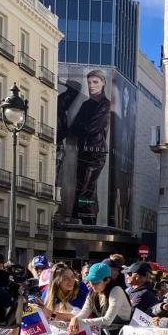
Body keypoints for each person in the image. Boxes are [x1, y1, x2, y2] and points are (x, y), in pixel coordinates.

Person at [69, 69, 111, 224]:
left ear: (103, 83)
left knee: (85, 188)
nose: (91, 86)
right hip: (84, 151)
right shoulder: (87, 104)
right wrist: (83, 127)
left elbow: (92, 128)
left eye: (95, 82)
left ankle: (78, 219)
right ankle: (90, 221)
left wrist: (82, 127)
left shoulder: (106, 105)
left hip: (96, 153)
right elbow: (74, 128)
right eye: (89, 82)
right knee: (87, 188)